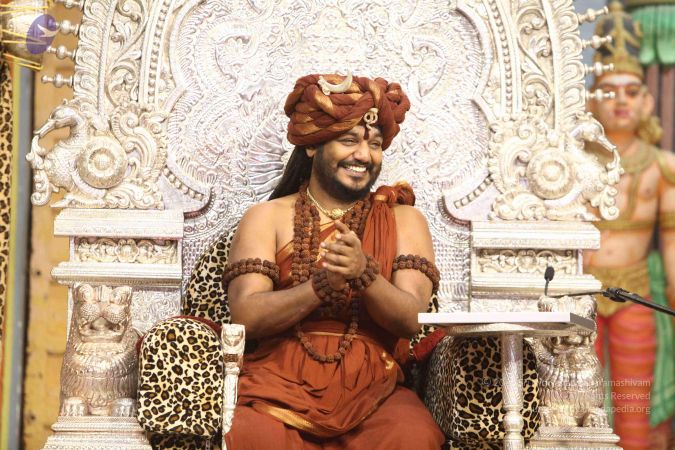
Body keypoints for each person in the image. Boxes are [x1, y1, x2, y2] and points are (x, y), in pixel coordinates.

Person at [222, 73, 445, 449]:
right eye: (349, 140)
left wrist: (365, 274)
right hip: (277, 383)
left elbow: (410, 320)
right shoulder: (267, 217)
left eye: (375, 144)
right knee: (252, 434)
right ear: (312, 145)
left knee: (412, 436)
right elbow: (246, 316)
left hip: (376, 388)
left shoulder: (404, 219)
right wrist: (320, 286)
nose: (364, 155)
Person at [585, 3, 675, 449]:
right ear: (590, 101)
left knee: (632, 403)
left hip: (636, 294)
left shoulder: (663, 167)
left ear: (647, 101)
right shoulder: (570, 165)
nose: (620, 100)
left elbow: (673, 247)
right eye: (608, 90)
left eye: (631, 90)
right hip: (580, 298)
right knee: (574, 404)